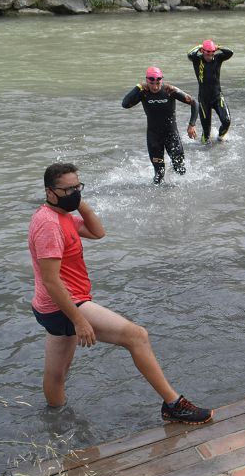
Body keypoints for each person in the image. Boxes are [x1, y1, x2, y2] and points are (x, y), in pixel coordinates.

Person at [28, 162, 214, 424]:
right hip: (64, 305)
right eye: (67, 190)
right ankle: (173, 405)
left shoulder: (63, 217)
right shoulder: (48, 224)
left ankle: (56, 422)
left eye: (77, 187)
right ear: (50, 192)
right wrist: (79, 320)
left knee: (57, 374)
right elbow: (51, 280)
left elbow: (98, 232)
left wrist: (78, 202)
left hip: (52, 307)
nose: (74, 193)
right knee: (136, 336)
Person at [121, 67, 198, 185]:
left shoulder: (169, 90)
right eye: (152, 83)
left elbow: (194, 103)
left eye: (158, 83)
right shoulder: (143, 92)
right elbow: (125, 104)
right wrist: (138, 86)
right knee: (159, 175)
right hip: (154, 137)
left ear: (162, 80)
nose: (155, 87)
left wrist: (192, 125)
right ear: (146, 81)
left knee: (180, 169)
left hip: (172, 135)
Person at [187, 39, 234, 143]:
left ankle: (220, 137)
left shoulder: (218, 58)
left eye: (212, 54)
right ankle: (204, 152)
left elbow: (230, 52)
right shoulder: (197, 60)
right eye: (207, 54)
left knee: (226, 121)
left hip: (217, 97)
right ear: (202, 51)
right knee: (206, 132)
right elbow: (189, 54)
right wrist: (199, 46)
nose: (210, 57)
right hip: (204, 100)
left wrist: (219, 47)